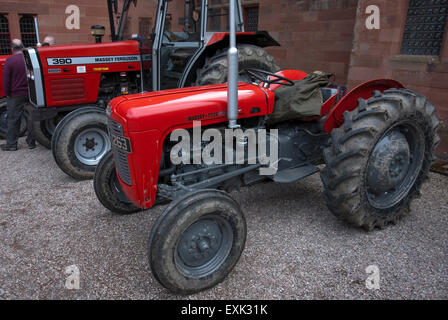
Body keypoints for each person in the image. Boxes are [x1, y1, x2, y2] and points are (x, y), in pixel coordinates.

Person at [0, 39, 36, 151]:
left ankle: (11, 144)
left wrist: (7, 93)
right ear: (23, 47)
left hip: (15, 94)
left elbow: (6, 80)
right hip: (30, 93)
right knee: (31, 118)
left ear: (12, 49)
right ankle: (31, 142)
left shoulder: (10, 61)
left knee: (13, 119)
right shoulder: (29, 59)